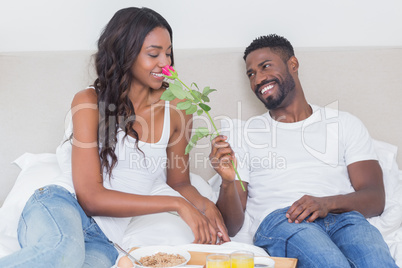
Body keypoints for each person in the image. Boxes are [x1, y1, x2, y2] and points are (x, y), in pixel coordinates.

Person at [0, 7, 229, 268]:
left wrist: (205, 205)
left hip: (105, 240)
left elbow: (179, 182)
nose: (165, 64)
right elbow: (90, 197)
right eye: (153, 54)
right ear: (125, 54)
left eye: (168, 53)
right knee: (62, 253)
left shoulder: (177, 108)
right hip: (61, 206)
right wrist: (178, 205)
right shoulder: (88, 102)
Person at [209, 34, 397, 267]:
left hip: (345, 219)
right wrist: (227, 181)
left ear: (293, 65)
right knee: (332, 264)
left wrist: (326, 204)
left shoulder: (344, 123)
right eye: (251, 74)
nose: (258, 79)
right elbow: (231, 225)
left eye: (265, 66)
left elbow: (375, 198)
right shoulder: (244, 134)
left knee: (378, 263)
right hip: (285, 220)